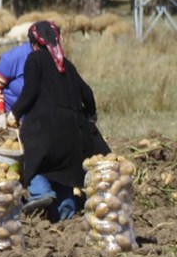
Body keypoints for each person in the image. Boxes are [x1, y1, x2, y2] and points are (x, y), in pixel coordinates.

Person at [10, 21, 110, 222]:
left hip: (44, 127)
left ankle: (40, 194)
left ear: (33, 43)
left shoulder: (34, 59)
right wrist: (91, 116)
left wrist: (14, 114)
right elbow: (87, 93)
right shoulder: (66, 63)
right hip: (73, 133)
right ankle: (66, 212)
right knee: (65, 171)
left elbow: (29, 93)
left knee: (36, 160)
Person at [0, 38, 33, 130]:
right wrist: (1, 115)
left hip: (37, 120)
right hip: (8, 116)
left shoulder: (56, 59)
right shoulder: (14, 58)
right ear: (34, 44)